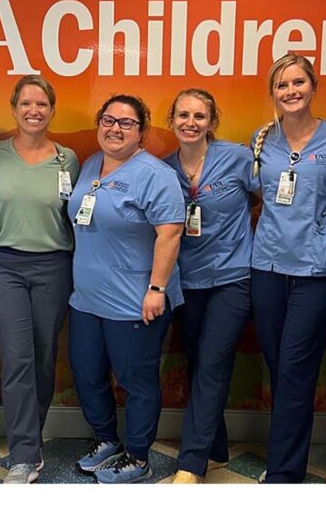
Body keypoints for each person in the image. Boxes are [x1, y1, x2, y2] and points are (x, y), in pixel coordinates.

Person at [68, 94, 185, 484]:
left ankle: (137, 455)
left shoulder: (155, 174)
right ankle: (106, 441)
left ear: (142, 132)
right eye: (108, 119)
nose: (114, 128)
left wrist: (157, 288)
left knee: (136, 381)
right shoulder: (89, 166)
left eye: (126, 123)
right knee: (87, 372)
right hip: (87, 298)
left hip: (134, 301)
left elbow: (170, 233)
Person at [250, 53, 326, 483]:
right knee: (280, 365)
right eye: (282, 85)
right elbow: (252, 193)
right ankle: (287, 453)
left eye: (298, 83)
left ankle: (284, 473)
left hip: (319, 267)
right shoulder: (261, 140)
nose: (290, 92)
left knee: (294, 365)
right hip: (268, 265)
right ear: (273, 92)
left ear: (313, 87)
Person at [0, 75, 79, 484]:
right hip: (4, 265)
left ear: (51, 110)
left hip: (53, 267)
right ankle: (24, 455)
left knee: (42, 358)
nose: (33, 111)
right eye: (26, 103)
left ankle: (32, 442)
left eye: (42, 104)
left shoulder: (68, 159)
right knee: (18, 356)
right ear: (14, 108)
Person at [163, 89, 258, 484]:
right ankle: (216, 445)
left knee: (213, 363)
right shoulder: (162, 169)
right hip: (185, 282)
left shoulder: (236, 157)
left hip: (232, 277)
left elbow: (276, 197)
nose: (190, 122)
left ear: (212, 122)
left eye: (199, 116)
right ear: (172, 121)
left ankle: (193, 462)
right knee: (199, 362)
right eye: (183, 115)